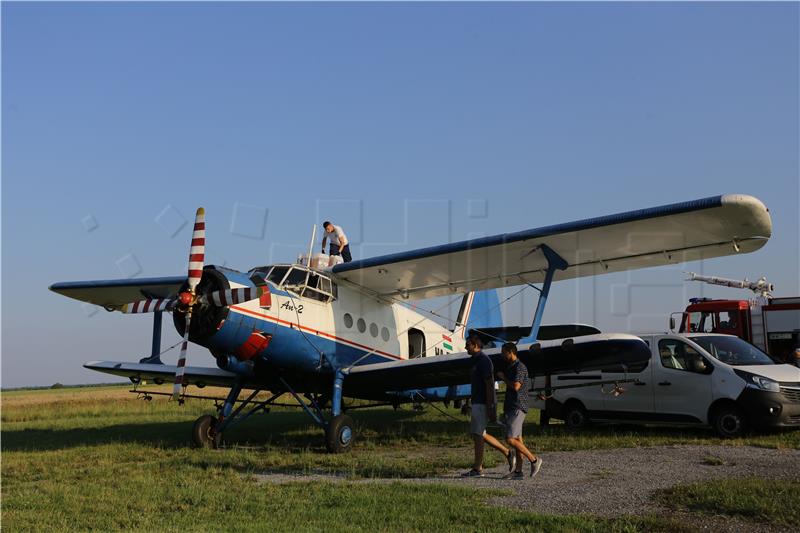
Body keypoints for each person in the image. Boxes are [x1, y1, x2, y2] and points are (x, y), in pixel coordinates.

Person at [461, 336, 515, 477]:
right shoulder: (475, 360)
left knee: (478, 435)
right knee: (480, 433)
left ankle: (477, 468)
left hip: (483, 403)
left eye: (468, 345)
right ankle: (507, 452)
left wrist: (491, 405)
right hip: (477, 401)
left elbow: (490, 384)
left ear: (475, 345)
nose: (465, 347)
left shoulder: (483, 361)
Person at [496, 342, 542, 479]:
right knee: (517, 439)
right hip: (511, 406)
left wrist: (503, 378)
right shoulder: (511, 367)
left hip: (518, 406)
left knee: (510, 439)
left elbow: (516, 386)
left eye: (503, 352)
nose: (502, 354)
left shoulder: (520, 367)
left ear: (511, 352)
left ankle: (534, 460)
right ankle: (518, 471)